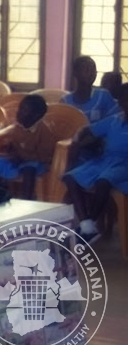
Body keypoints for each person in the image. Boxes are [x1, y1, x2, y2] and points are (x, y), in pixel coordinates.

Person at [63, 83, 128, 245]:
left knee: (103, 181)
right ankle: (87, 225)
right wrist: (77, 140)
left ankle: (89, 225)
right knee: (70, 177)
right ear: (120, 102)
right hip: (105, 160)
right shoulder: (114, 120)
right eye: (125, 99)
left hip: (124, 164)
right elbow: (86, 129)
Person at [0, 94, 57, 200]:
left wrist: (22, 156)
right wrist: (9, 149)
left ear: (35, 116)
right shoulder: (18, 126)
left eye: (23, 111)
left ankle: (26, 199)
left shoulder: (44, 132)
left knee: (29, 169)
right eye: (20, 108)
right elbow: (14, 144)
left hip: (37, 163)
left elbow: (43, 157)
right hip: (19, 159)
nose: (18, 112)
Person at [61, 55, 119, 122]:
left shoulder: (103, 96)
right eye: (87, 70)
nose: (91, 73)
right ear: (75, 72)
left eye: (94, 70)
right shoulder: (65, 102)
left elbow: (114, 121)